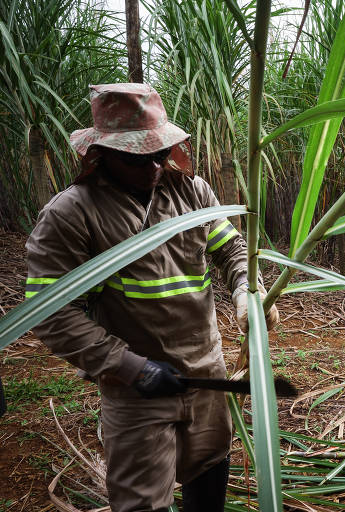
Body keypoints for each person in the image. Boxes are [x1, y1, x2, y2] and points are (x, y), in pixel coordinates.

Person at [25, 83, 279, 512]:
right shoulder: (72, 212)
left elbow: (232, 248)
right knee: (143, 502)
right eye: (136, 159)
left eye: (160, 155)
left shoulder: (192, 193)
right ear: (101, 153)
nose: (153, 168)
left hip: (205, 377)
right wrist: (131, 368)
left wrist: (245, 292)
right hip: (136, 393)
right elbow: (50, 312)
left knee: (209, 470)